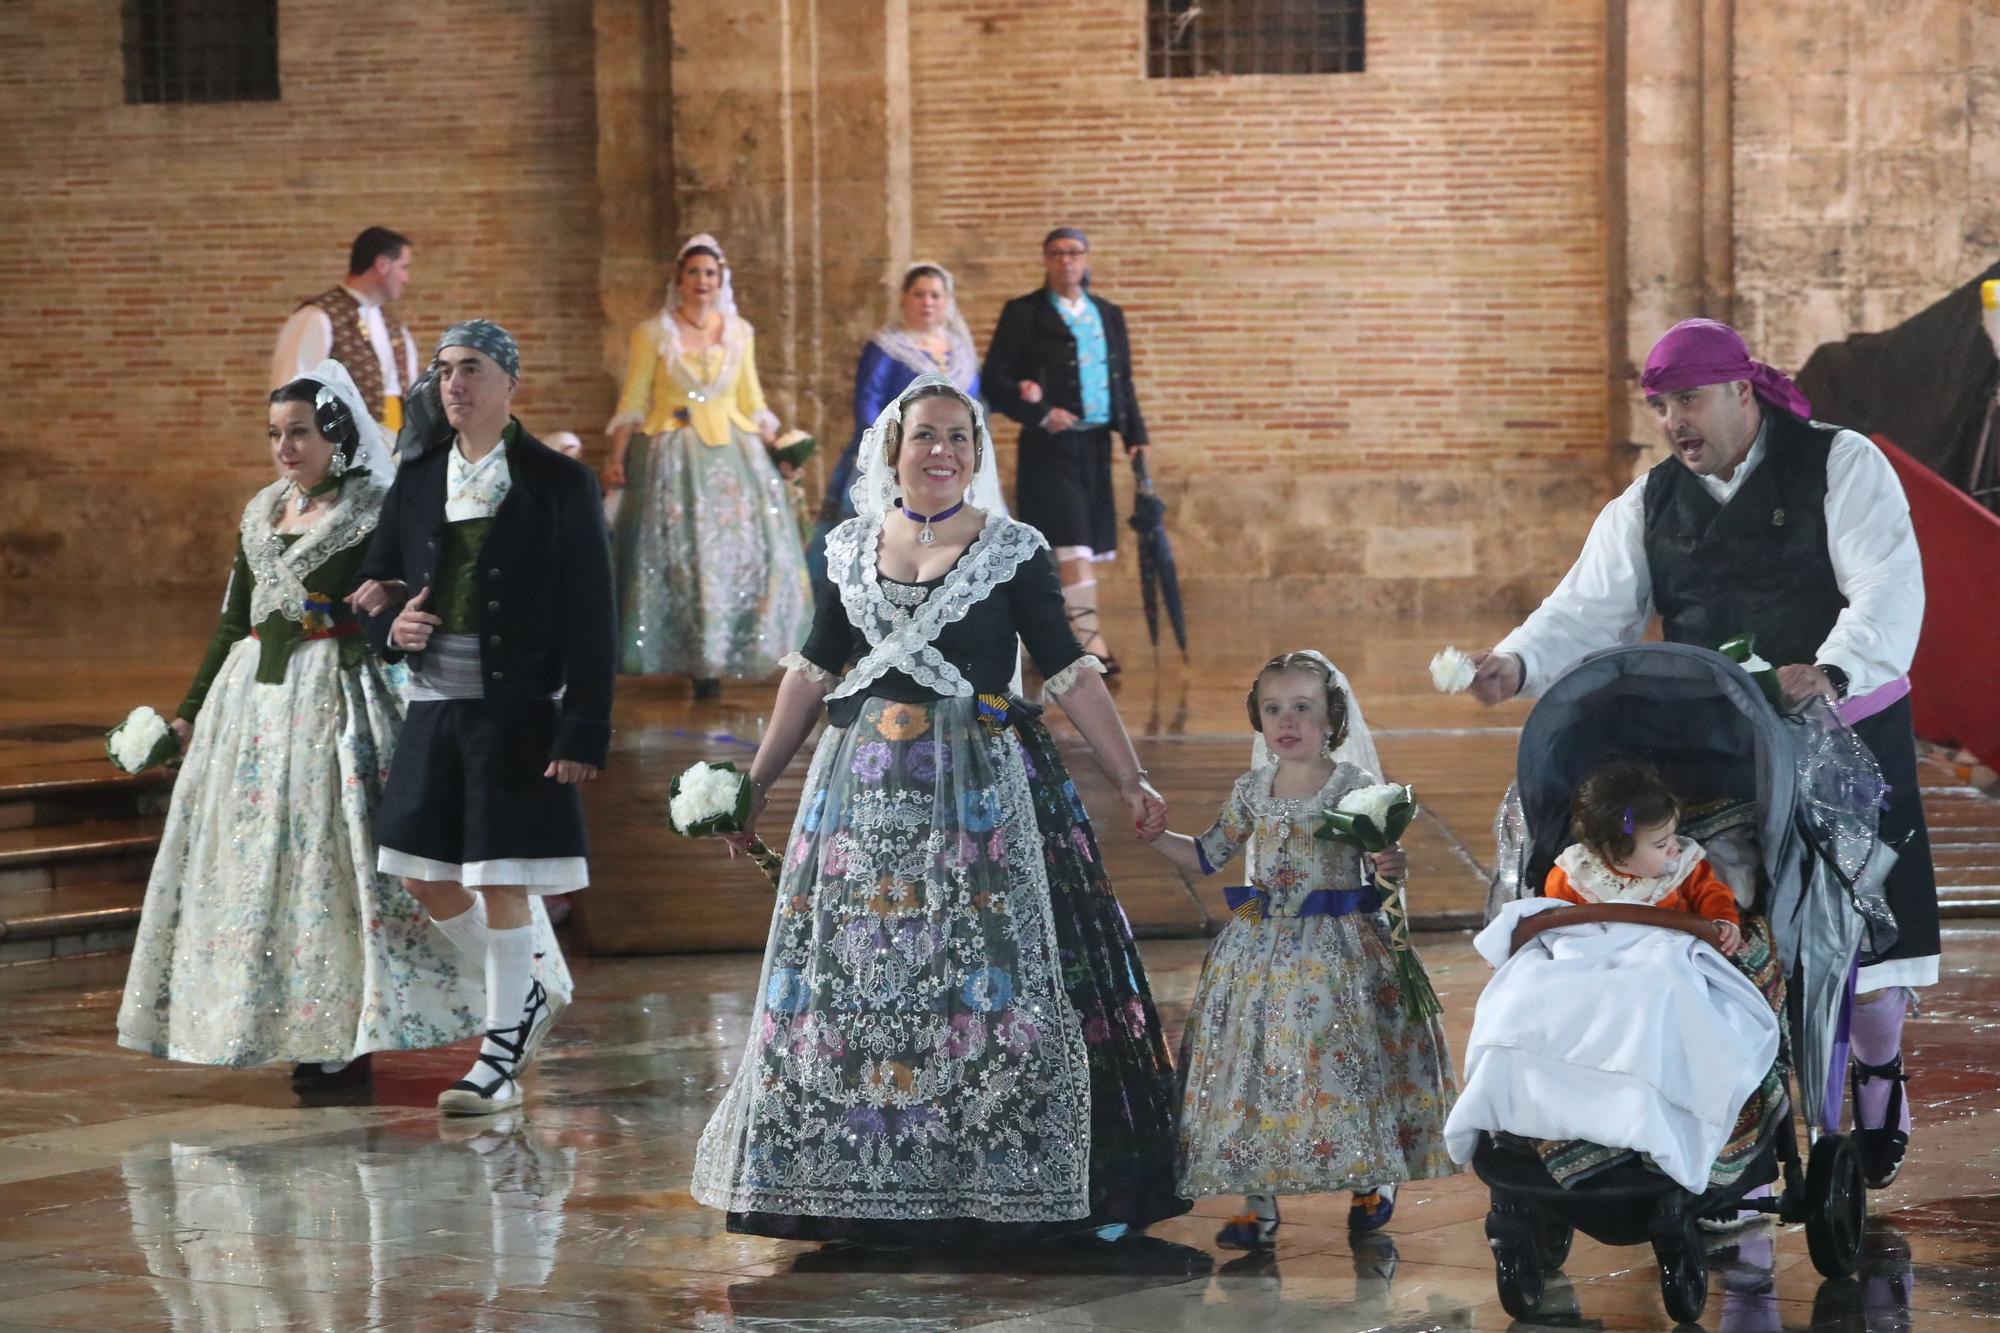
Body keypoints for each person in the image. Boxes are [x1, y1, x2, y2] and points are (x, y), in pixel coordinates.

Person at [691, 374, 1188, 1242]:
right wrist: (758, 782)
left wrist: (1130, 777)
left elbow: (1069, 669)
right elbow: (812, 670)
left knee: (983, 971)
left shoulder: (1012, 549)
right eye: (926, 435)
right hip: (863, 795)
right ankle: (861, 1180)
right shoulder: (848, 548)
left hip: (982, 794)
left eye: (960, 438)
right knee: (865, 978)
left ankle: (1001, 1177)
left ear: (977, 453)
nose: (943, 452)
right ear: (894, 448)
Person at [1466, 318, 1936, 1190]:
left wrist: (1835, 665)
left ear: (1740, 391)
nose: (1674, 420)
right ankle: (1735, 1120)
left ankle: (1876, 1070)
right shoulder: (1648, 503)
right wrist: (1518, 660)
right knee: (1743, 925)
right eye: (1659, 405)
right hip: (1720, 742)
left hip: (1842, 729)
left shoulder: (1840, 462)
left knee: (1869, 950)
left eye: (1687, 399)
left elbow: (1886, 581)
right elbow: (1586, 608)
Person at [117, 361, 566, 1084]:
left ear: (335, 433)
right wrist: (188, 711)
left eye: (299, 432)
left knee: (352, 872)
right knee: (281, 878)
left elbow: (418, 595)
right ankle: (311, 1027)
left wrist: (380, 614)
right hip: (257, 712)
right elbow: (235, 621)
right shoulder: (261, 510)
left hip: (343, 705)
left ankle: (484, 998)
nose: (285, 447)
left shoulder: (376, 505)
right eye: (274, 434)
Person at [351, 319, 615, 1117]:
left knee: (502, 878)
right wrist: (391, 628)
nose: (452, 384)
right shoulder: (420, 476)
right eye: (443, 372)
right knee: (418, 872)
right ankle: (527, 988)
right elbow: (374, 585)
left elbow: (594, 617)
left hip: (518, 710)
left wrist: (583, 728)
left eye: (469, 369)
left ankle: (497, 1059)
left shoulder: (558, 482)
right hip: (434, 706)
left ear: (509, 382)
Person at [1140, 651, 1456, 1248]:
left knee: (1343, 1056)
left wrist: (1392, 866)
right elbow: (1210, 854)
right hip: (1258, 939)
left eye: (1303, 708)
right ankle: (1257, 1199)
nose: (1288, 721)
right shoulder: (1251, 789)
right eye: (1274, 708)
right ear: (1258, 719)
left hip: (1337, 945)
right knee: (1253, 1062)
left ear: (1332, 718)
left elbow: (1382, 867)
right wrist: (1159, 839)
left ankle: (1374, 1175)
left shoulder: (1354, 788)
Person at [600, 234, 810, 697]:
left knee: (745, 552)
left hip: (736, 454)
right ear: (679, 279)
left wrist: (781, 450)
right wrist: (615, 458)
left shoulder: (740, 331)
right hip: (672, 455)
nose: (701, 280)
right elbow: (634, 399)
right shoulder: (652, 333)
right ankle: (694, 658)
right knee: (683, 558)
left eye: (710, 273)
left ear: (721, 280)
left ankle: (739, 647)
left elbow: (752, 400)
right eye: (693, 272)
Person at [982, 227, 1150, 674]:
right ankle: (1090, 642)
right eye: (1056, 253)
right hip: (1049, 444)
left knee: (1083, 546)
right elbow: (995, 380)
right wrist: (1037, 412)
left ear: (1087, 258)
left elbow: (1122, 381)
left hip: (1096, 445)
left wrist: (1135, 435)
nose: (1066, 261)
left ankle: (1049, 638)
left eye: (1074, 253)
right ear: (1045, 259)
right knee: (1071, 541)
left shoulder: (1108, 315)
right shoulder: (1023, 313)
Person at [808, 262, 982, 580]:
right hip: (892, 456)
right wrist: (900, 447)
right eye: (919, 294)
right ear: (903, 299)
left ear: (947, 301)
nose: (927, 302)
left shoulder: (961, 352)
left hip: (953, 462)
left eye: (934, 295)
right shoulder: (886, 346)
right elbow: (867, 402)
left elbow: (972, 406)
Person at [1538, 761, 1743, 955]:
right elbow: (1554, 924)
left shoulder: (1684, 868)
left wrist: (1722, 921)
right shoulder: (1575, 876)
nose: (1675, 847)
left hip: (1670, 954)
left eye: (1673, 835)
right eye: (1661, 844)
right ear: (1616, 853)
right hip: (1602, 958)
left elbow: (1712, 894)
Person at [272, 227, 421, 434]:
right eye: (404, 267)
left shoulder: (394, 327)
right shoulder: (318, 318)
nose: (406, 278)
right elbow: (291, 399)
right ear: (382, 265)